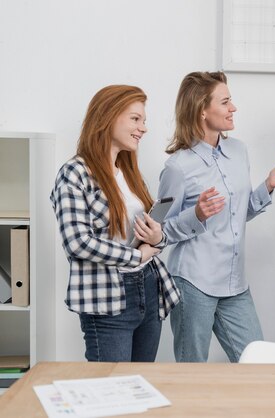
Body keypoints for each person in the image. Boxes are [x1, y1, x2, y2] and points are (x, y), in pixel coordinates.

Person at [158, 71, 275, 363]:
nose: (233, 108)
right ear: (202, 110)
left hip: (235, 283)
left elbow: (238, 213)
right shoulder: (177, 167)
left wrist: (269, 185)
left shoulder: (238, 151)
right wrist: (196, 215)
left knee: (258, 363)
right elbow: (160, 232)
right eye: (225, 102)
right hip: (193, 282)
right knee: (191, 371)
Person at [50, 85, 180, 362]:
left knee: (140, 384)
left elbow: (154, 234)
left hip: (148, 287)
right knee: (111, 390)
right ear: (107, 116)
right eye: (135, 119)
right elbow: (78, 243)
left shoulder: (130, 173)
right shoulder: (74, 173)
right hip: (107, 296)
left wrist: (157, 238)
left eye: (143, 121)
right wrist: (136, 255)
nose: (143, 128)